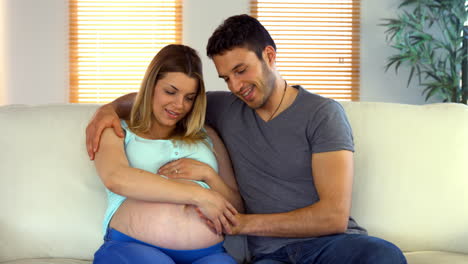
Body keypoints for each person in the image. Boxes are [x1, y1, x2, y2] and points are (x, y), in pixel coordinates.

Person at [87, 15, 407, 264]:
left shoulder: (322, 114)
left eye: (241, 70)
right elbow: (170, 99)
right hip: (268, 255)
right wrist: (110, 109)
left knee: (383, 256)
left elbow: (333, 217)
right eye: (226, 78)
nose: (236, 86)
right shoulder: (226, 108)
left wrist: (242, 224)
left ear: (269, 56)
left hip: (329, 244)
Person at [92, 44, 243, 264]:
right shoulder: (117, 129)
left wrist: (208, 175)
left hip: (208, 254)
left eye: (189, 97)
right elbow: (116, 178)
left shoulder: (207, 135)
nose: (179, 105)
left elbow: (236, 206)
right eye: (170, 92)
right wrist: (200, 195)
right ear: (151, 85)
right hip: (135, 245)